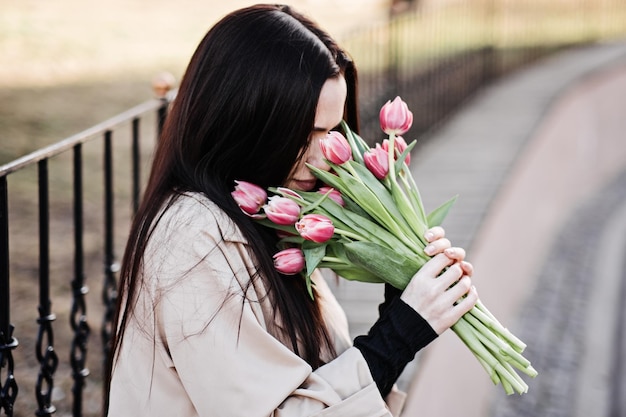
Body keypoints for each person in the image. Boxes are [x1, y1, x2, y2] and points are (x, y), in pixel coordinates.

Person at [104, 4, 478, 416]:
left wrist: (402, 295)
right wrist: (397, 335)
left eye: (334, 130)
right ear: (247, 120)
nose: (326, 158)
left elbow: (308, 383)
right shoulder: (193, 240)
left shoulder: (262, 212)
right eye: (308, 132)